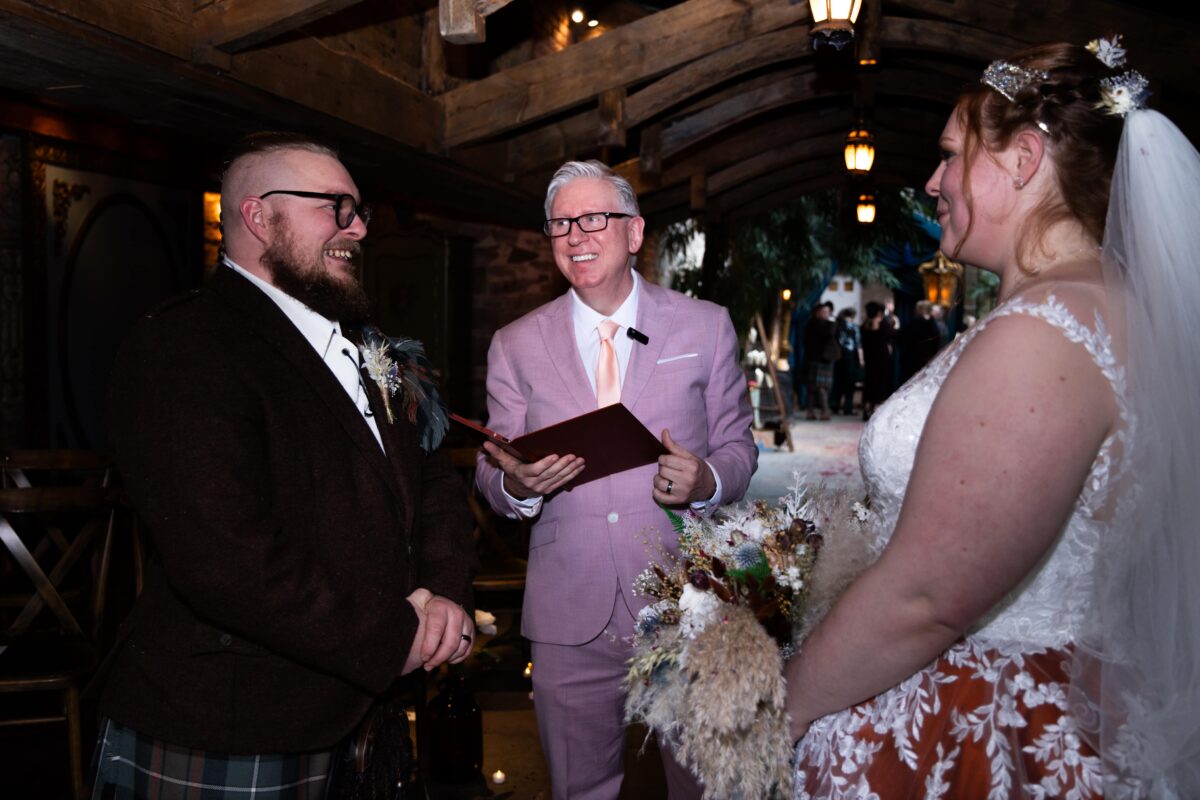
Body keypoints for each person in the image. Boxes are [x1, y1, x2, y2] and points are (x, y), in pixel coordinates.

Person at [787, 39, 1200, 797]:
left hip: (987, 722)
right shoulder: (1102, 307)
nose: (934, 179)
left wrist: (778, 710)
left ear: (1024, 158)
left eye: (951, 153)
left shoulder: (1044, 333)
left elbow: (927, 598)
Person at [93, 132, 478, 798]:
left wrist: (444, 596)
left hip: (363, 724)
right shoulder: (185, 345)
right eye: (335, 206)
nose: (357, 228)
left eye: (358, 210)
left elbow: (433, 481)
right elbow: (225, 557)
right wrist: (394, 638)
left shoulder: (367, 344)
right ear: (255, 216)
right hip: (235, 719)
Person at [475, 160, 757, 799]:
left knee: (703, 787)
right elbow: (492, 473)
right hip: (568, 610)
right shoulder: (515, 343)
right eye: (561, 225)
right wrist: (519, 484)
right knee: (580, 790)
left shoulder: (704, 325)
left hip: (684, 604)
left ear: (634, 233)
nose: (577, 236)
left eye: (594, 219)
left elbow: (740, 446)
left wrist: (707, 478)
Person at [801, 302, 839, 420]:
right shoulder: (813, 324)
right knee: (813, 387)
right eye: (823, 312)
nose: (826, 314)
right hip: (814, 359)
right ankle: (815, 411)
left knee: (823, 387)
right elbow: (807, 341)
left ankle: (822, 411)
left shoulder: (829, 324)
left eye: (827, 312)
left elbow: (833, 338)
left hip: (825, 360)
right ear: (818, 313)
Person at [858, 301, 894, 421]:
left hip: (870, 358)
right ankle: (874, 408)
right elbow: (891, 336)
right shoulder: (882, 324)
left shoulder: (864, 325)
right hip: (881, 359)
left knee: (869, 383)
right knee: (879, 383)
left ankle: (867, 408)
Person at [828, 307, 863, 416]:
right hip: (850, 357)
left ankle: (835, 405)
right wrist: (861, 360)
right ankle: (847, 408)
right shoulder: (854, 327)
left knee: (838, 382)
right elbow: (858, 344)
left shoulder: (837, 325)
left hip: (838, 356)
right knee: (849, 383)